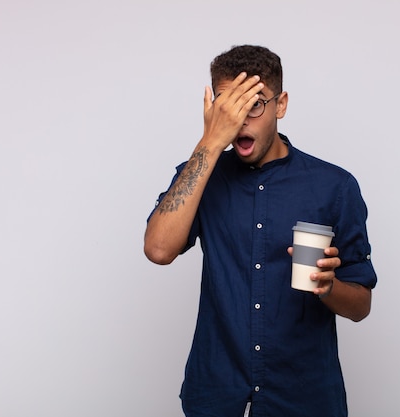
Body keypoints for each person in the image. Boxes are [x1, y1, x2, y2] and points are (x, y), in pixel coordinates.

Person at [144, 45, 377, 417]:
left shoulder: (334, 186)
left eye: (254, 104)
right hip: (216, 396)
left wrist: (328, 287)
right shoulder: (200, 176)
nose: (240, 121)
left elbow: (361, 307)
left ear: (280, 105)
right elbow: (158, 249)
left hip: (304, 399)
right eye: (227, 107)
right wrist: (210, 142)